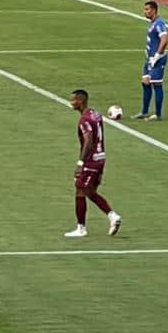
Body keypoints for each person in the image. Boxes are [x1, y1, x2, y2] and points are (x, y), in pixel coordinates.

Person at [65, 89, 122, 238]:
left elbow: (88, 140)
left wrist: (80, 163)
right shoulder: (95, 114)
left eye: (74, 100)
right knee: (89, 192)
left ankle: (81, 228)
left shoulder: (84, 120)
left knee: (80, 190)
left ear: (81, 101)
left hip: (91, 160)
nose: (72, 103)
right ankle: (112, 217)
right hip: (101, 157)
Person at [135, 0, 168, 121]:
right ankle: (144, 112)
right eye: (145, 10)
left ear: (154, 10)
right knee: (145, 82)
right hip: (149, 59)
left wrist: (157, 55)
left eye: (147, 10)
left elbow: (164, 40)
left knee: (157, 84)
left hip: (157, 60)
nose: (145, 12)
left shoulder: (159, 24)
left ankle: (158, 114)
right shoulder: (152, 23)